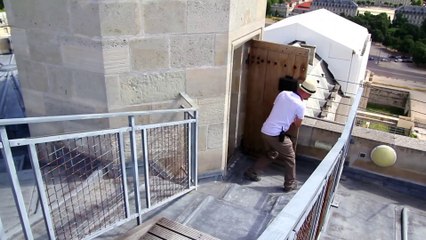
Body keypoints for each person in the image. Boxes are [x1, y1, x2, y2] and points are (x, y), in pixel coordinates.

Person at [244, 78, 317, 192]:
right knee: (290, 157)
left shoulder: (283, 93)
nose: (310, 97)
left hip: (265, 130)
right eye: (310, 95)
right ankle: (290, 184)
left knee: (272, 153)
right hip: (276, 134)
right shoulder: (301, 105)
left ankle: (251, 172)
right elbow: (298, 124)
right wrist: (292, 119)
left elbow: (278, 108)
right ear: (305, 92)